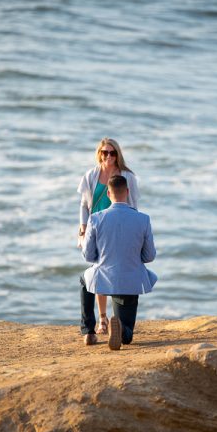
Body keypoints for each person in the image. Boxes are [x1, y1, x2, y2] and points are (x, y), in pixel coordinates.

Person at [80, 175, 157, 350]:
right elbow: (149, 256)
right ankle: (122, 330)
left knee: (84, 280)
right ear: (127, 192)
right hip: (130, 280)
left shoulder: (95, 218)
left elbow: (89, 257)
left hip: (104, 279)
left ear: (108, 193)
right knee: (127, 334)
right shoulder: (143, 219)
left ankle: (89, 331)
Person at [77, 138, 140, 335]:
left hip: (118, 227)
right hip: (96, 228)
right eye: (105, 153)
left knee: (111, 271)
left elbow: (134, 204)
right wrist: (83, 226)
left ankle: (113, 320)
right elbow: (84, 204)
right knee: (97, 270)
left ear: (118, 154)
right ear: (99, 154)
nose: (108, 157)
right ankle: (103, 319)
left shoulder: (127, 176)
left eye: (112, 153)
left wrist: (133, 228)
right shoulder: (91, 175)